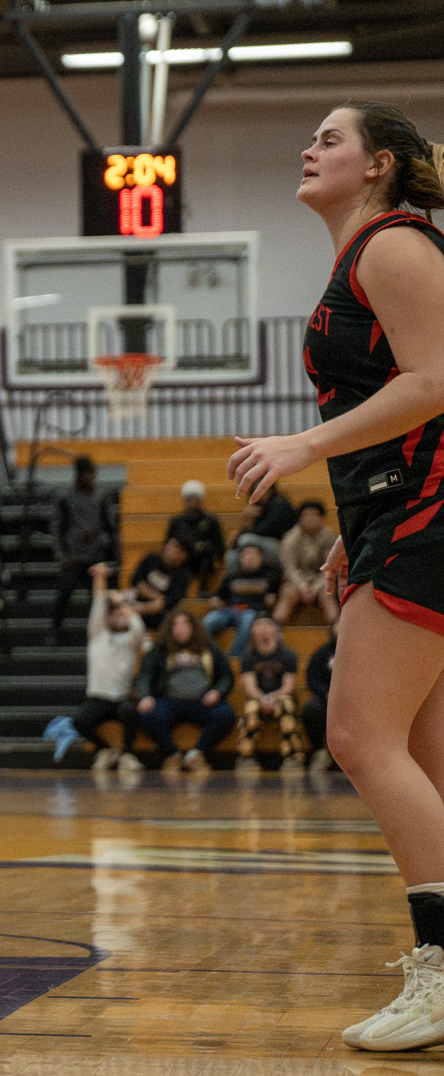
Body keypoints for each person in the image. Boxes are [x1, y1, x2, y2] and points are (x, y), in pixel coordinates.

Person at [227, 101, 444, 1051]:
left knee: (358, 736)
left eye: (330, 138)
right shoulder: (369, 252)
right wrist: (355, 526)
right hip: (400, 511)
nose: (309, 148)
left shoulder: (395, 245)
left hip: (429, 512)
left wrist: (305, 445)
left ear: (380, 164)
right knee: (426, 754)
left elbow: (436, 380)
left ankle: (442, 971)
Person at [133, 609, 235, 773]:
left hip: (202, 702)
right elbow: (144, 676)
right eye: (175, 625)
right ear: (169, 629)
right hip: (169, 701)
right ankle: (172, 754)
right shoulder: (160, 649)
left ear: (193, 627)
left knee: (225, 714)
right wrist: (145, 696)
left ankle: (196, 754)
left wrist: (217, 691)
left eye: (185, 623)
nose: (180, 628)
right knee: (148, 715)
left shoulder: (208, 647)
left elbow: (226, 676)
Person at [72, 563, 146, 774]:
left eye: (123, 615)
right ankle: (107, 750)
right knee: (79, 721)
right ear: (108, 618)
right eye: (114, 614)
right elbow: (98, 603)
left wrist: (123, 602)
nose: (119, 617)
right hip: (98, 697)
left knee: (130, 712)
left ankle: (127, 755)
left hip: (121, 697)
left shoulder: (131, 640)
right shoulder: (98, 635)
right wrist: (100, 576)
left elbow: (138, 626)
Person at [51, 456, 119, 639]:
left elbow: (110, 526)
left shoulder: (101, 495)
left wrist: (115, 555)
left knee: (97, 599)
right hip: (73, 556)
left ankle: (98, 633)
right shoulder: (65, 496)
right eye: (88, 475)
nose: (92, 479)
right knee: (63, 595)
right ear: (79, 476)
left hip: (95, 554)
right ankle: (55, 631)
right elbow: (57, 527)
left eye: (93, 475)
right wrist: (60, 553)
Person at [235, 615, 304, 770]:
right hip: (258, 697)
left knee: (285, 705)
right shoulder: (248, 656)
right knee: (251, 708)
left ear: (275, 629)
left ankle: (293, 757)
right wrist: (263, 699)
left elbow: (288, 686)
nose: (264, 629)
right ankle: (246, 757)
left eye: (268, 625)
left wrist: (273, 697)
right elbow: (250, 687)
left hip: (282, 696)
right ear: (252, 631)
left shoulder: (287, 655)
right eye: (259, 625)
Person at [204, 543, 280, 658]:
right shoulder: (232, 576)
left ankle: (234, 658)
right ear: (241, 559)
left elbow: (274, 596)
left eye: (254, 555)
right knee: (206, 622)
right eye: (246, 555)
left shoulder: (270, 576)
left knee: (247, 622)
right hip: (229, 609)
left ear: (261, 558)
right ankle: (216, 655)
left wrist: (272, 598)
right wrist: (215, 600)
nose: (250, 558)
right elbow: (219, 595)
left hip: (252, 610)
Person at [275, 500, 341, 625]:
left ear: (322, 518)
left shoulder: (330, 538)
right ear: (300, 518)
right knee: (288, 592)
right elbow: (290, 568)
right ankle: (275, 625)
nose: (310, 518)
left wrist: (315, 587)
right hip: (297, 580)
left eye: (314, 514)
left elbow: (331, 567)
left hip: (321, 579)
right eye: (306, 515)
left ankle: (336, 629)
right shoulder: (290, 539)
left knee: (328, 592)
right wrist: (303, 587)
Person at [166, 481, 226, 589]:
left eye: (196, 498)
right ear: (185, 500)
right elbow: (169, 543)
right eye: (190, 498)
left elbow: (219, 544)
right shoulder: (177, 521)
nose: (193, 502)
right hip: (182, 558)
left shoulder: (210, 520)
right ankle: (178, 588)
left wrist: (205, 546)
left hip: (203, 558)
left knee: (206, 552)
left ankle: (203, 588)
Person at [128, 537, 194, 631]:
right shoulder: (151, 558)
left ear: (184, 555)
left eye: (174, 548)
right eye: (169, 545)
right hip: (139, 601)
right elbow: (136, 580)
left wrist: (142, 608)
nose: (168, 549)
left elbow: (166, 602)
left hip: (159, 614)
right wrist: (155, 597)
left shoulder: (183, 575)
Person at [302, 619, 336, 772]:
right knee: (310, 709)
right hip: (326, 699)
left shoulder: (362, 652)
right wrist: (325, 693)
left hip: (354, 702)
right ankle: (319, 751)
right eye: (339, 624)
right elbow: (312, 678)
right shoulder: (323, 653)